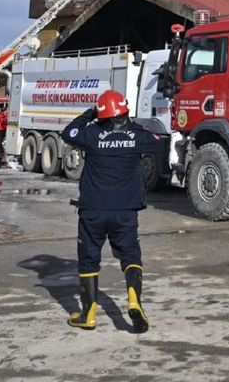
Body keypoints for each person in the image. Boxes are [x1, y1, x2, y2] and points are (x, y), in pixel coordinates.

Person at [61, 90, 163, 332]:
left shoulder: (91, 134)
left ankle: (88, 315)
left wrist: (90, 113)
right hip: (125, 210)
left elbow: (68, 132)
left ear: (102, 114)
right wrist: (131, 126)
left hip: (93, 210)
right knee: (130, 256)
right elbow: (157, 143)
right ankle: (134, 300)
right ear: (125, 113)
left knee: (89, 259)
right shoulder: (136, 136)